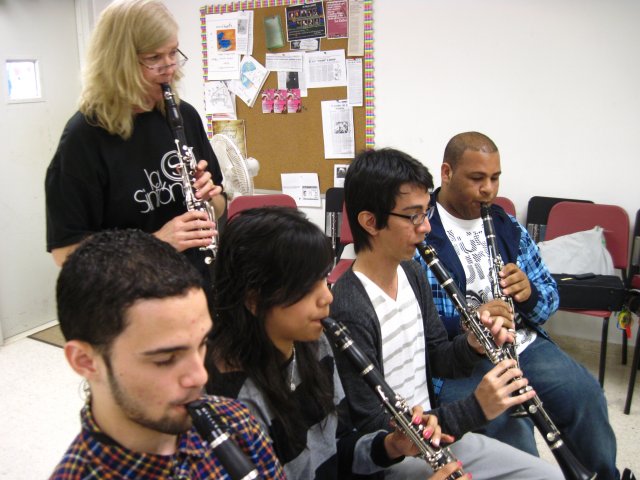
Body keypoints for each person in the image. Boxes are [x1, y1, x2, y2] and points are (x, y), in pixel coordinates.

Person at [330, 148, 563, 480]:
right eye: (413, 216)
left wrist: (473, 344)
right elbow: (374, 430)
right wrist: (475, 409)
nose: (426, 227)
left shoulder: (411, 272)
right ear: (370, 222)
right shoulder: (350, 307)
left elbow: (438, 357)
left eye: (426, 213)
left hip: (437, 435)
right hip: (398, 458)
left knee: (547, 476)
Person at [413, 131, 623, 479]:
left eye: (495, 178)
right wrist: (472, 323)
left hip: (521, 343)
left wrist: (529, 294)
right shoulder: (422, 229)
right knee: (509, 429)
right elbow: (422, 325)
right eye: (477, 178)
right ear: (447, 173)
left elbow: (549, 298)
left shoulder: (505, 225)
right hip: (462, 357)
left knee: (585, 395)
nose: (489, 190)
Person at [205, 206, 463, 479]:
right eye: (306, 287)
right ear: (254, 300)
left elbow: (337, 449)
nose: (327, 296)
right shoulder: (232, 403)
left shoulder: (315, 345)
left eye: (323, 278)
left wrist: (390, 446)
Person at [50, 229, 284, 479]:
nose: (200, 377)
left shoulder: (237, 421)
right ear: (85, 362)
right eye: (165, 359)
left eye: (202, 343)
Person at [45, 0, 225, 294]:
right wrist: (156, 243)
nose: (169, 68)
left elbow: (219, 206)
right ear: (119, 61)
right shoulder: (84, 138)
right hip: (130, 303)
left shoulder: (184, 115)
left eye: (172, 53)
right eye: (154, 57)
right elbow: (66, 253)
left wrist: (210, 196)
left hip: (193, 290)